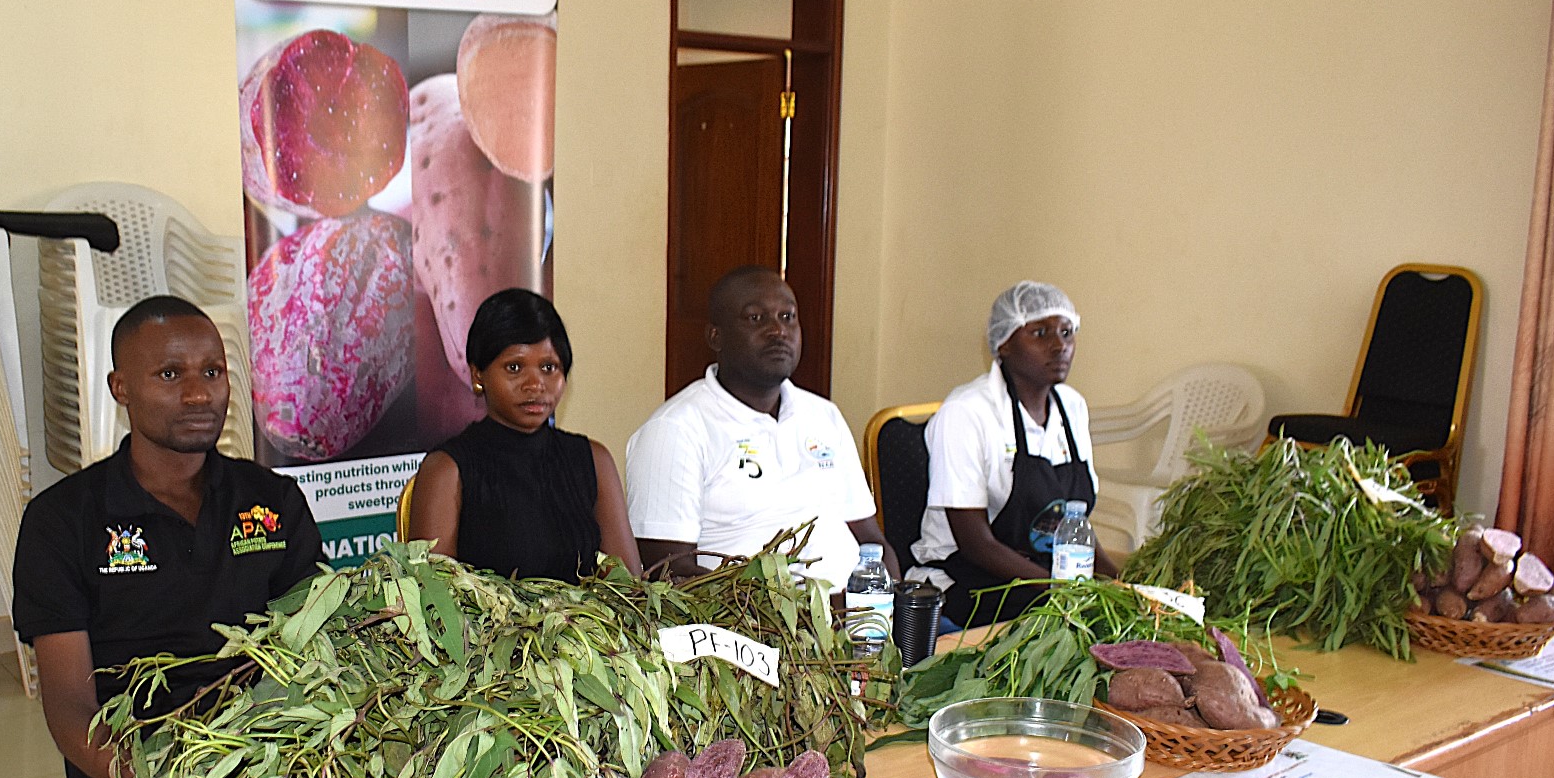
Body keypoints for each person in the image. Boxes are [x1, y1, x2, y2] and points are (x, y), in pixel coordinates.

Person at [10, 295, 322, 778]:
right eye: (170, 374)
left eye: (212, 371)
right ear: (120, 386)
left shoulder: (271, 501)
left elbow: (316, 654)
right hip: (135, 776)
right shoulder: (63, 520)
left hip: (268, 761)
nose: (199, 393)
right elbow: (69, 708)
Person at [626, 265, 897, 587]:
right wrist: (796, 611)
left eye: (787, 317)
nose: (778, 331)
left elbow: (871, 541)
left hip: (859, 610)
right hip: (752, 615)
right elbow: (670, 573)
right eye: (756, 318)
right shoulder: (675, 430)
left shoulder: (824, 415)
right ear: (715, 336)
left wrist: (894, 601)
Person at [910, 280, 1118, 627]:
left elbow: (1075, 521)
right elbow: (976, 544)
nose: (1059, 346)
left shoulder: (1072, 407)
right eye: (1040, 333)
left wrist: (1119, 585)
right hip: (969, 579)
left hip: (1046, 577)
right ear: (1003, 343)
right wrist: (1066, 591)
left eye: (1067, 332)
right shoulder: (967, 412)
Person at [407, 288, 641, 580]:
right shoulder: (446, 469)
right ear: (478, 374)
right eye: (515, 367)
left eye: (548, 367)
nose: (535, 384)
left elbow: (627, 585)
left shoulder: (594, 460)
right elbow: (432, 594)